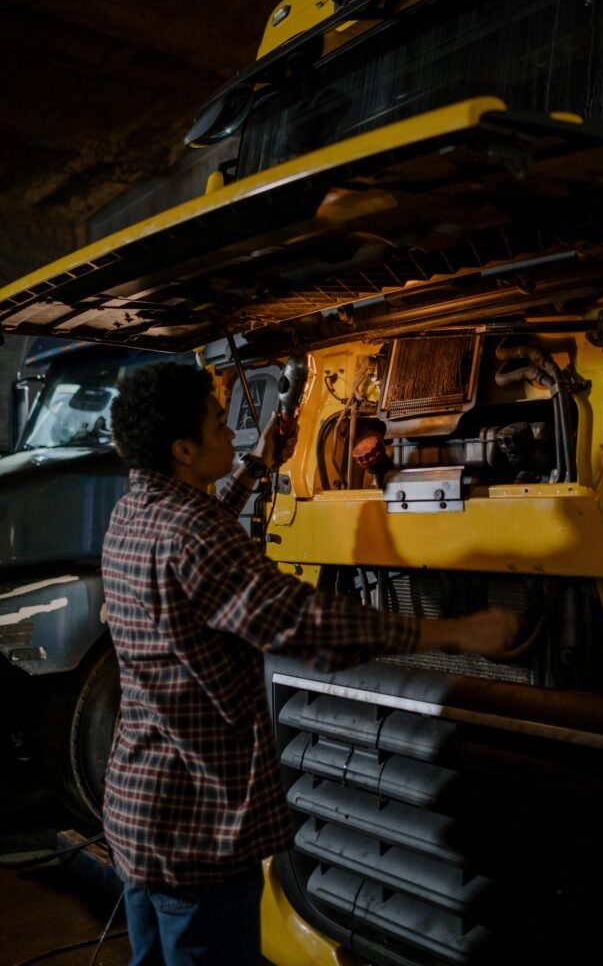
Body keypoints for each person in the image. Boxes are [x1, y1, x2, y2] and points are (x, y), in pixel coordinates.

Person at [102, 361, 519, 966]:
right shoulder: (192, 533)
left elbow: (201, 544)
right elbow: (304, 624)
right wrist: (452, 632)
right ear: (184, 449)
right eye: (221, 426)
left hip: (142, 808)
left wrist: (256, 466)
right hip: (198, 824)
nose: (231, 434)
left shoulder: (135, 513)